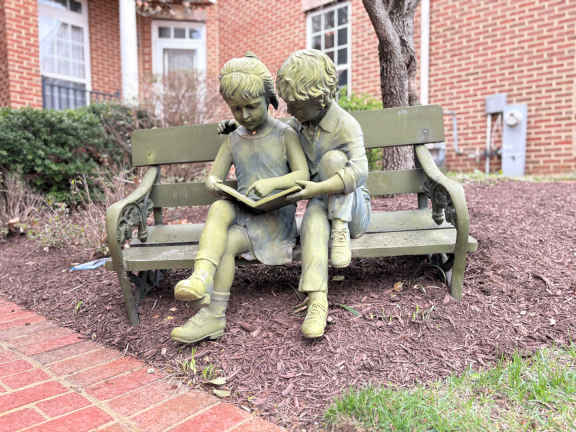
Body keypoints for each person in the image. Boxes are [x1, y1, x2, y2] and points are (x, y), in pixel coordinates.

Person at [170, 54, 309, 344]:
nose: (244, 115)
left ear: (268, 99)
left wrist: (271, 183)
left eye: (251, 106)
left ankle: (211, 312)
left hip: (275, 221)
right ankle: (202, 281)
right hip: (247, 216)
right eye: (236, 109)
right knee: (220, 207)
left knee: (226, 241)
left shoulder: (285, 134)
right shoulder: (234, 138)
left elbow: (302, 175)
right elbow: (215, 175)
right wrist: (214, 182)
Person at [277, 49, 372, 338]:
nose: (289, 111)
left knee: (333, 160)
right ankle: (317, 301)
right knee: (313, 225)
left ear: (319, 99)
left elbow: (360, 172)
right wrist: (238, 129)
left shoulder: (345, 124)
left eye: (296, 105)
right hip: (320, 200)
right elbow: (270, 134)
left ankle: (339, 228)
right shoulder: (296, 127)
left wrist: (317, 188)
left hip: (353, 211)